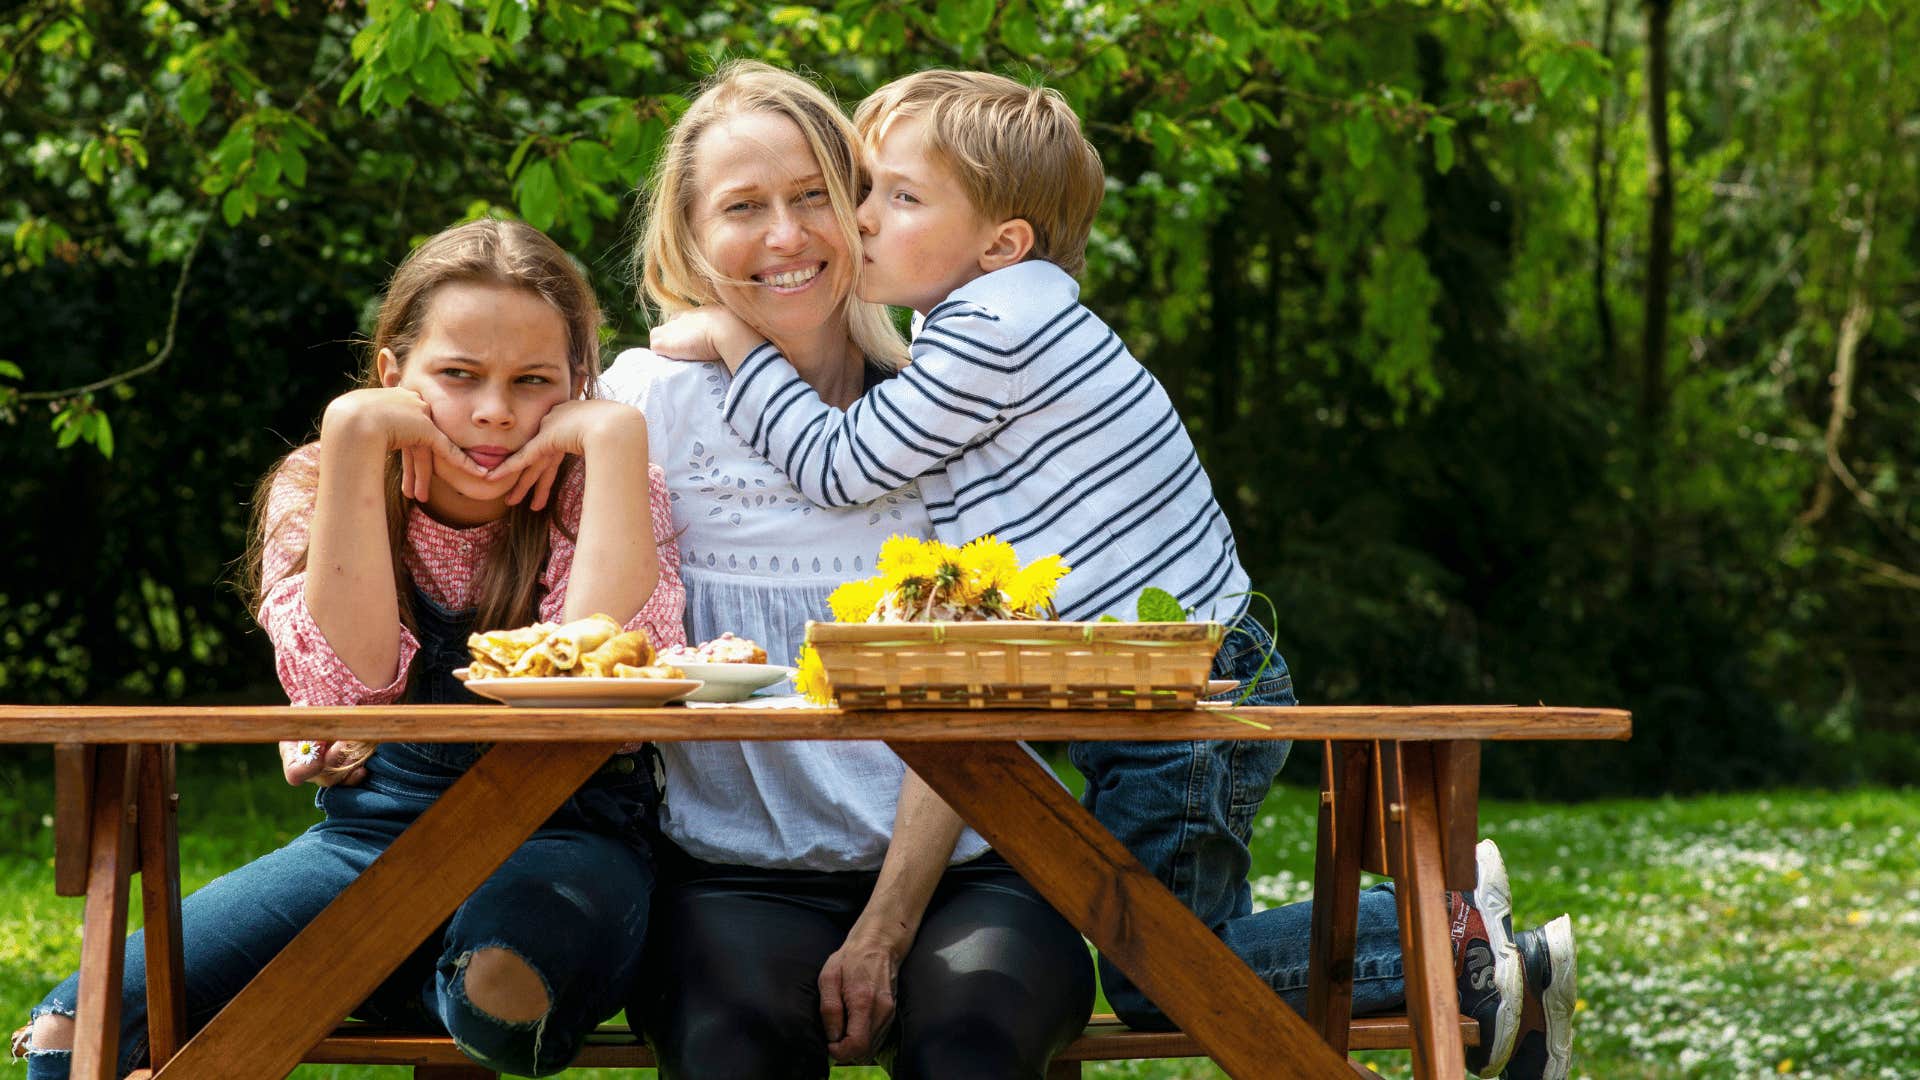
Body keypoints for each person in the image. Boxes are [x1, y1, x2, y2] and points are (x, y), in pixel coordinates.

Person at [651, 69, 1577, 1080]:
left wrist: (739, 345)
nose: (860, 221)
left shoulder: (985, 334)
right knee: (1168, 950)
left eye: (894, 197)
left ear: (1002, 242)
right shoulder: (1009, 317)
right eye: (867, 189)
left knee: (1163, 972)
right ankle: (1446, 929)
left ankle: (1445, 933)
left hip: (1180, 680)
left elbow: (844, 465)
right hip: (1152, 669)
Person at [13, 218, 686, 1079]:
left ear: (579, 385)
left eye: (533, 381)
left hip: (568, 837)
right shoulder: (318, 480)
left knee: (500, 996)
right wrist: (354, 436)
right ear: (391, 374)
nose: (494, 411)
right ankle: (402, 965)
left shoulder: (609, 480)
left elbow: (588, 692)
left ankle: (408, 969)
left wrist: (615, 438)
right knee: (77, 1035)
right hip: (371, 841)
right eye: (458, 375)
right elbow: (351, 691)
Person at [597, 60, 1095, 1078]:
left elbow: (973, 688)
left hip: (972, 863)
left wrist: (885, 928)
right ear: (689, 240)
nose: (785, 236)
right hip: (734, 873)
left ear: (861, 210)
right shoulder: (644, 405)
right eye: (743, 207)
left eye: (814, 195)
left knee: (975, 1040)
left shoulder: (945, 406)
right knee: (731, 1045)